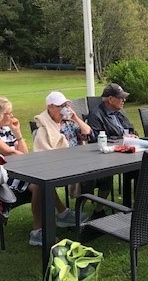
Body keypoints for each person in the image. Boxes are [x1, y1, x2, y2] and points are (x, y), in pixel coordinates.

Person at [33, 91, 109, 223]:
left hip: (79, 160)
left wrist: (75, 118)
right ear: (50, 107)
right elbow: (43, 153)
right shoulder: (44, 128)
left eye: (65, 105)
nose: (64, 108)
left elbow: (89, 133)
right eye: (60, 106)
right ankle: (77, 212)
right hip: (61, 165)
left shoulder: (69, 123)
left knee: (106, 174)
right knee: (89, 177)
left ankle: (98, 210)